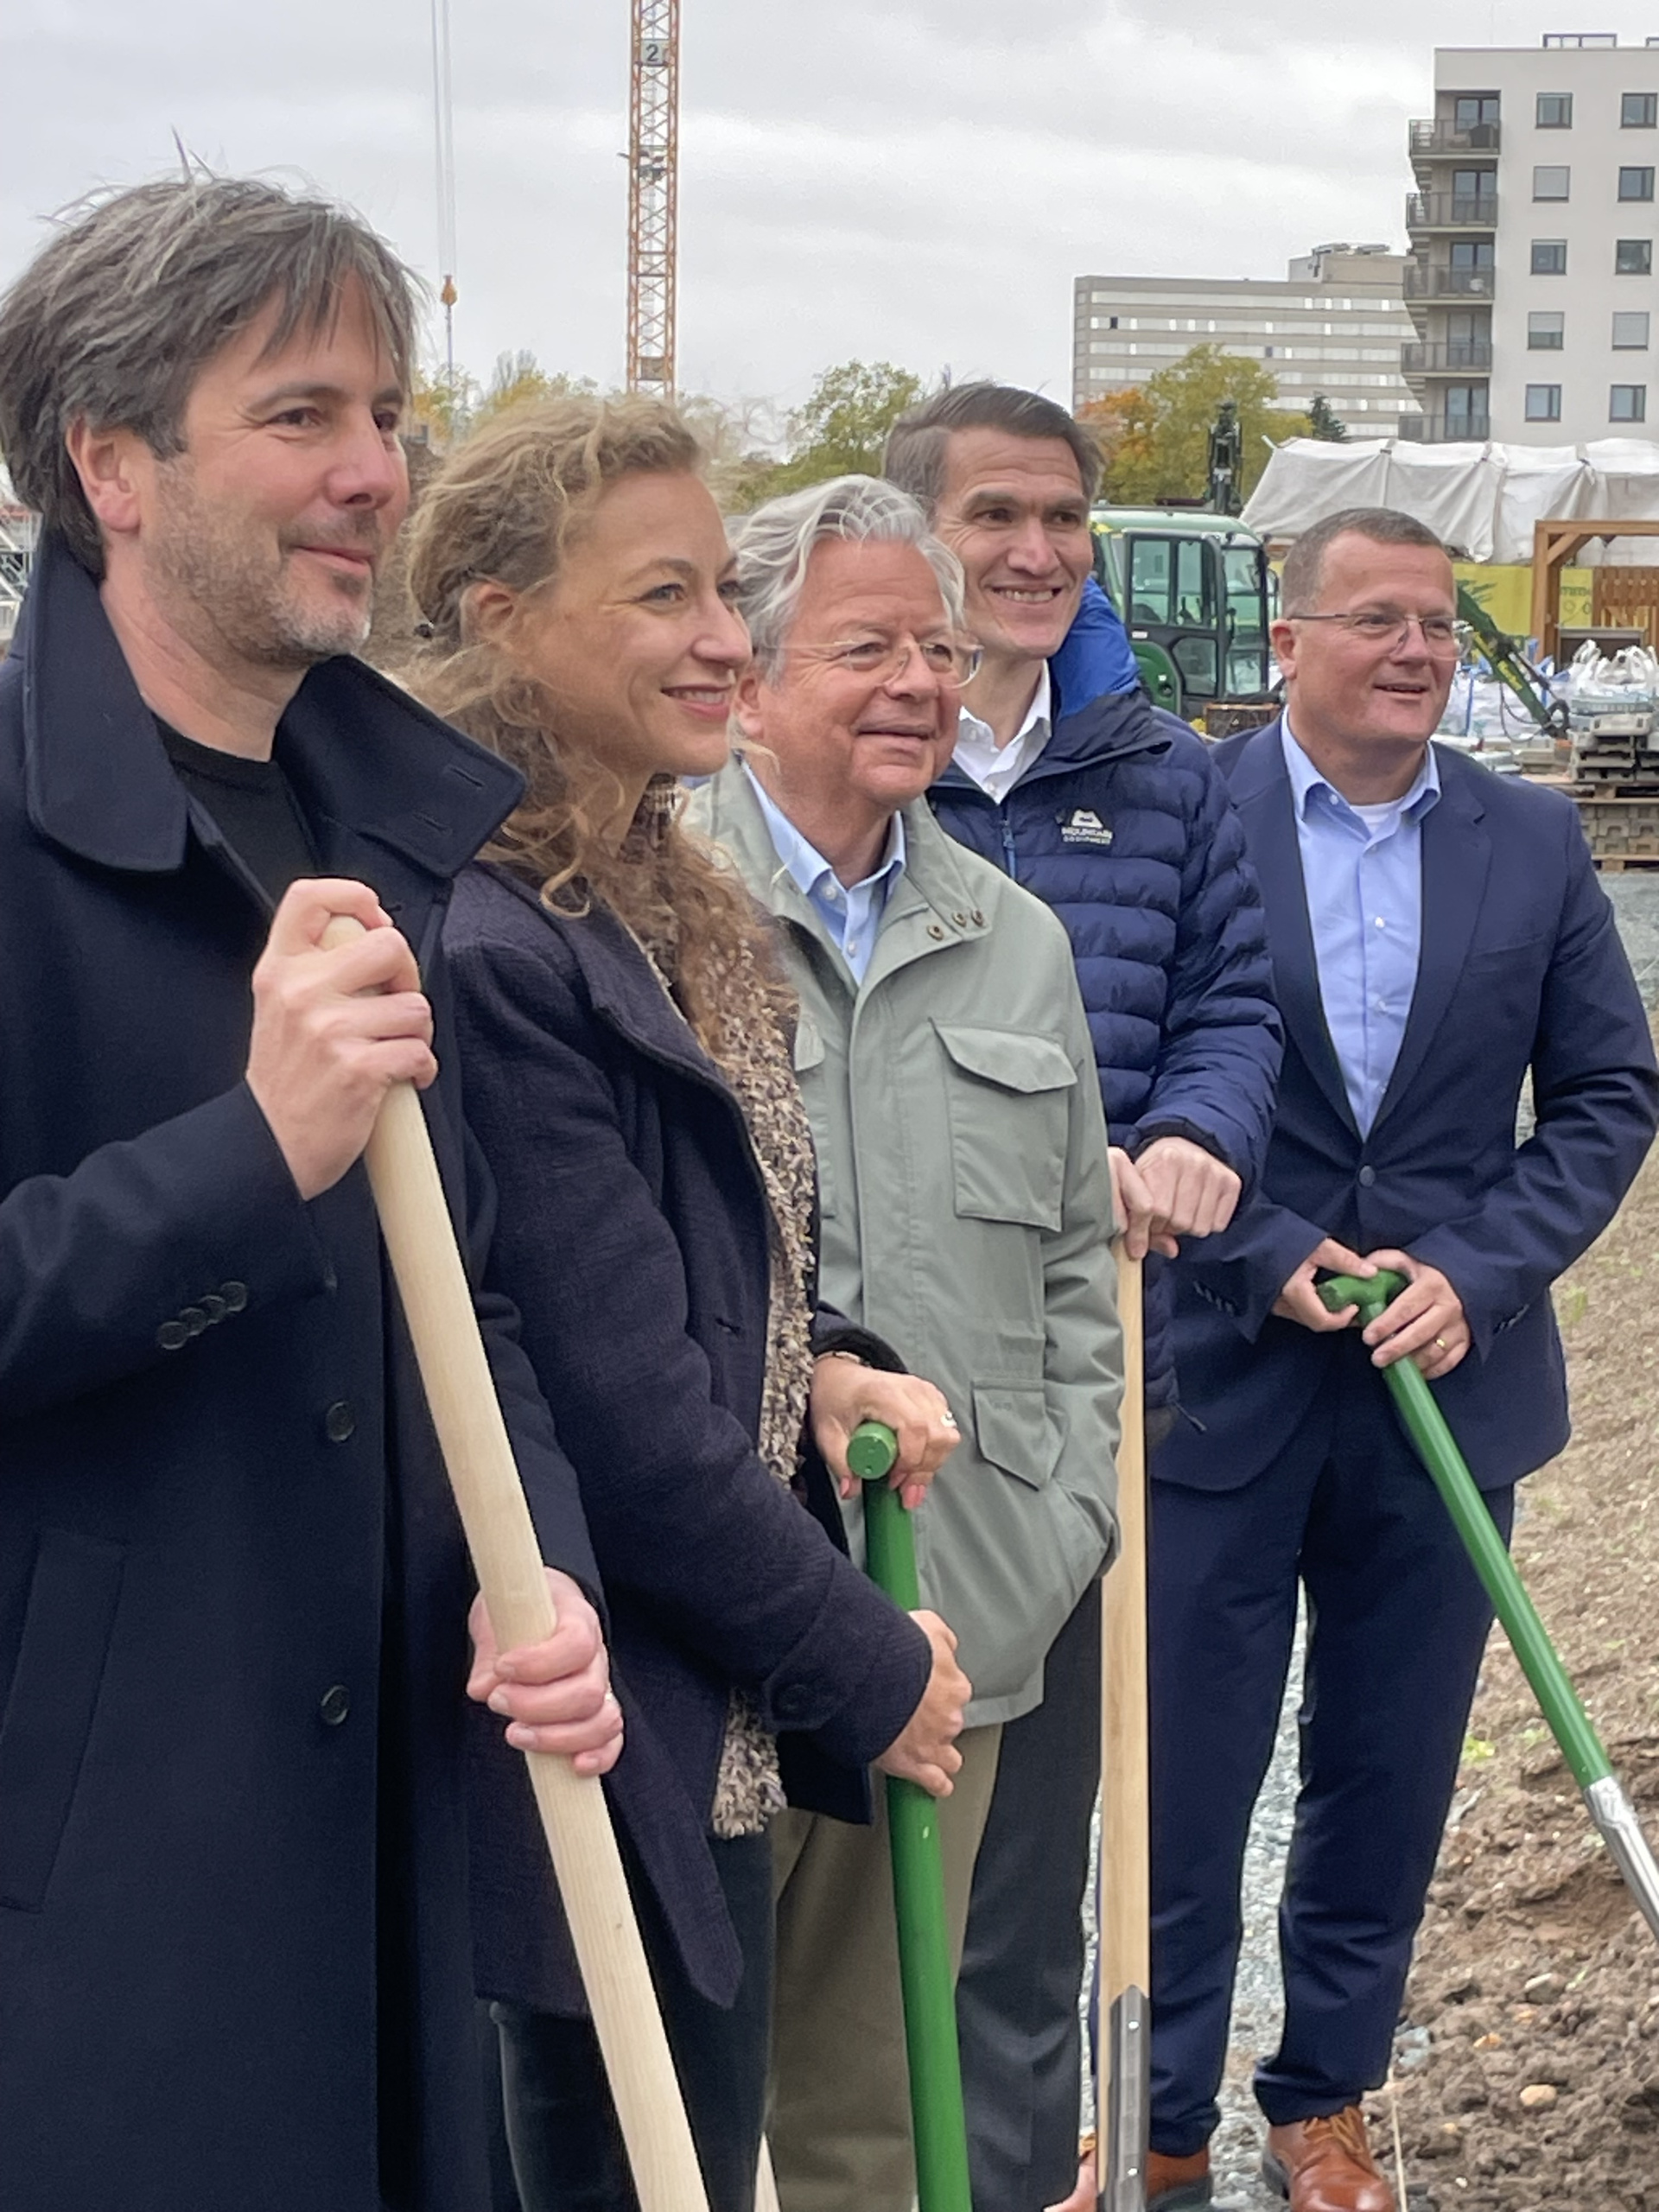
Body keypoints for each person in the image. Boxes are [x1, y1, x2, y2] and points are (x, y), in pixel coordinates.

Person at [0, 176, 623, 2212]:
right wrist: (244, 1156)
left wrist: (546, 1584)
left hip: (381, 1856)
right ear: (109, 461)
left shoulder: (400, 825)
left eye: (388, 411)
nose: (378, 472)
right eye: (300, 415)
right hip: (96, 1896)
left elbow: (481, 1296)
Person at [403, 398, 970, 2212]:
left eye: (727, 587)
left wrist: (819, 1362)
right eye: (667, 592)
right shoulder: (497, 942)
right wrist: (875, 1666)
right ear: (500, 618)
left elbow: (702, 1280)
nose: (730, 634)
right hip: (590, 1740)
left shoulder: (644, 884)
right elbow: (629, 1426)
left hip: (687, 1719)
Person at [1150, 506, 1659, 2212]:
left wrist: (1476, 1267)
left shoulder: (1527, 839)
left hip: (1447, 1386)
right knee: (1180, 1775)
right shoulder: (1183, 811)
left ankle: (1324, 2102)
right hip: (1216, 1373)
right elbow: (1118, 1070)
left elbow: (1605, 1095)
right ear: (1286, 644)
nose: (1419, 650)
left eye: (1439, 623)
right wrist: (1272, 1250)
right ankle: (1153, 2110)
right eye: (1376, 618)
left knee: (1387, 1768)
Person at [690, 474, 1122, 2212]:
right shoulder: (647, 915)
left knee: (883, 2119)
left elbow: (1083, 1273)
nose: (918, 684)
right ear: (752, 668)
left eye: (937, 649)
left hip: (953, 1624)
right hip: (706, 1633)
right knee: (676, 2112)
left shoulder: (1014, 941)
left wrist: (1057, 1516)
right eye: (865, 643)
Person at [884, 380, 1281, 2209]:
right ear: (916, 535)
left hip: (1082, 1363)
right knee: (865, 1834)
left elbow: (1234, 1001)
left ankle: (1038, 2168)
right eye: (994, 517)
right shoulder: (843, 759)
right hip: (878, 1368)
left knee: (1035, 1852)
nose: (1036, 553)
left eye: (1063, 519)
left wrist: (1197, 1130)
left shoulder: (1164, 768)